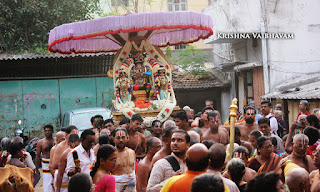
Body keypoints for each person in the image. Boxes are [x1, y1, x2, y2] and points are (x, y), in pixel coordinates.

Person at [35, 124, 55, 192]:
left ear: (52, 131)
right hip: (45, 164)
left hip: (55, 163)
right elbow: (37, 156)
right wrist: (37, 169)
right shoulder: (41, 142)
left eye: (49, 131)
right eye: (45, 131)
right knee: (47, 183)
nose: (47, 132)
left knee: (56, 181)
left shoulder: (56, 141)